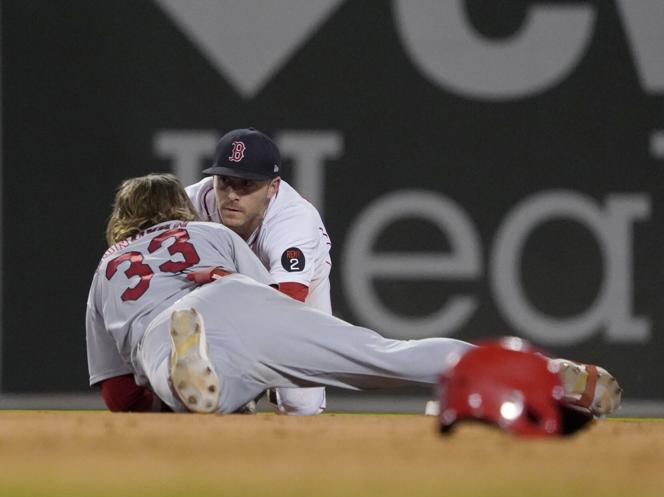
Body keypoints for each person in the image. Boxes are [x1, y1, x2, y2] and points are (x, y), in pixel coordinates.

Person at [86, 173, 623, 419]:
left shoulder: (109, 266)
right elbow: (264, 303)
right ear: (180, 208)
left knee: (187, 390)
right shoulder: (211, 233)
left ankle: (196, 377)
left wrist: (160, 396)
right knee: (387, 356)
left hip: (169, 325)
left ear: (122, 219)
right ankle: (545, 373)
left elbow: (117, 396)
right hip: (237, 295)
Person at [186, 128, 331, 415]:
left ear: (272, 187)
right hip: (222, 290)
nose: (231, 195)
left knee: (301, 405)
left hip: (297, 295)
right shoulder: (189, 203)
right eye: (224, 181)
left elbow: (286, 305)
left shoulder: (293, 221)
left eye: (246, 184)